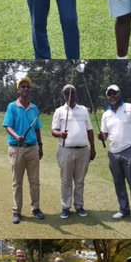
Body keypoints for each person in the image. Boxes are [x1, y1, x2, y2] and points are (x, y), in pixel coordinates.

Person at [98, 84, 131, 224]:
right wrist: (102, 137)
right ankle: (124, 209)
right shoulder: (105, 114)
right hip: (113, 153)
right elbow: (105, 134)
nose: (112, 96)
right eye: (109, 94)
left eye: (114, 93)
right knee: (118, 182)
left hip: (130, 150)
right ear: (107, 97)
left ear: (120, 94)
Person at [3, 76, 45, 225]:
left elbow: (38, 128)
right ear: (18, 90)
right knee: (17, 183)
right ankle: (16, 211)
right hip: (16, 148)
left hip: (32, 148)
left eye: (28, 87)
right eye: (23, 86)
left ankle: (36, 208)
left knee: (35, 182)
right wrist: (17, 136)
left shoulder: (34, 108)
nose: (26, 89)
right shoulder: (12, 107)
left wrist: (40, 146)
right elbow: (7, 126)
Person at [50, 84, 95, 218]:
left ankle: (79, 206)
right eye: (66, 93)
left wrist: (92, 148)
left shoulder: (84, 110)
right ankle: (65, 207)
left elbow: (90, 130)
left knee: (80, 180)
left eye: (72, 92)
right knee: (66, 181)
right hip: (65, 150)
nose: (70, 95)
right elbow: (53, 130)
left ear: (76, 94)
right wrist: (60, 134)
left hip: (83, 150)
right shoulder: (59, 111)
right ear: (63, 96)